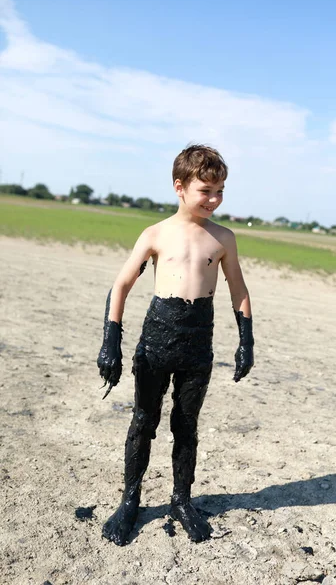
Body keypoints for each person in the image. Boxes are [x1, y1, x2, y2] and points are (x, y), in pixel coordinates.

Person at [97, 144, 254, 546]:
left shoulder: (223, 238)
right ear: (179, 187)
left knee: (186, 427)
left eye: (220, 190)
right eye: (206, 190)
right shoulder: (155, 234)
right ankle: (130, 501)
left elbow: (238, 288)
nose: (214, 199)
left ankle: (181, 500)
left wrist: (246, 340)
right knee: (143, 422)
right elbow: (122, 284)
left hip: (197, 342)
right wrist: (111, 341)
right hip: (156, 340)